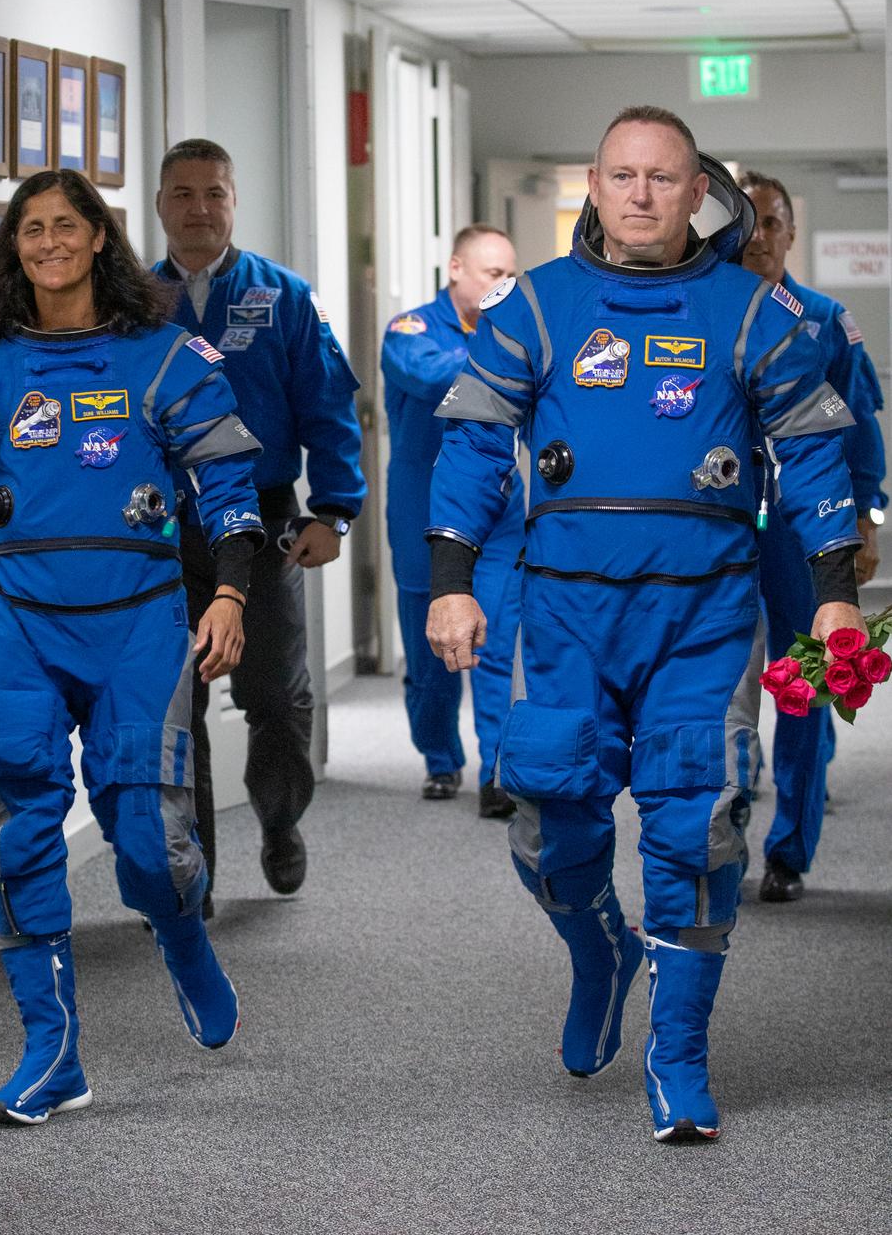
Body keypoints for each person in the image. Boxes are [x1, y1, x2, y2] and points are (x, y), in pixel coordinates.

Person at [425, 107, 866, 1143]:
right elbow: (473, 446)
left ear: (697, 191)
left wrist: (836, 584)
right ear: (591, 183)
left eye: (659, 178)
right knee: (544, 828)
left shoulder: (751, 311)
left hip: (701, 617)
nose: (637, 195)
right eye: (619, 176)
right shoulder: (537, 307)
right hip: (564, 613)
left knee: (696, 826)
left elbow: (809, 458)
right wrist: (452, 577)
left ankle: (677, 1054)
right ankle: (598, 951)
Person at [0, 169, 266, 1125]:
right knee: (18, 821)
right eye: (32, 230)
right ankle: (50, 1050)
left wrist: (227, 593)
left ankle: (180, 933)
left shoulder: (163, 358)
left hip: (140, 618)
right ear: (13, 248)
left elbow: (228, 489)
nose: (50, 243)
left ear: (99, 237)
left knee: (147, 838)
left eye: (66, 226)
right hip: (19, 617)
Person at [153, 139, 366, 908]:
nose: (199, 209)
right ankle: (191, 869)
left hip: (265, 520)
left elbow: (328, 408)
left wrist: (335, 512)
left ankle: (279, 819)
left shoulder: (283, 296)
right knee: (173, 701)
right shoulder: (134, 304)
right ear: (159, 206)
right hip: (164, 530)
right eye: (182, 194)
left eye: (213, 193)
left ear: (234, 201)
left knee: (273, 695)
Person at [738, 169, 887, 903]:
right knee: (719, 689)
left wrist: (868, 520)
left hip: (804, 532)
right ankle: (717, 826)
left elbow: (859, 434)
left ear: (790, 233)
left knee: (803, 694)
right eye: (748, 223)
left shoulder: (824, 321)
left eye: (772, 223)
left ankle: (788, 852)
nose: (759, 237)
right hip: (725, 531)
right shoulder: (701, 312)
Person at [380, 226, 524, 815]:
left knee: (495, 644)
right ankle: (440, 758)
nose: (504, 287)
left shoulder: (514, 331)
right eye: (493, 274)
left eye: (511, 276)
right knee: (431, 656)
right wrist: (503, 356)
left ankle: (497, 770)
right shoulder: (409, 331)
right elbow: (434, 375)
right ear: (457, 268)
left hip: (500, 514)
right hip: (425, 515)